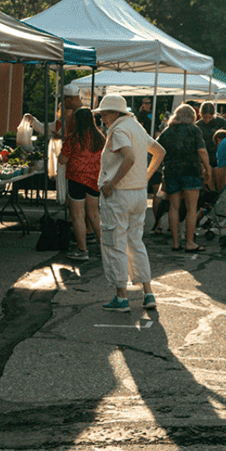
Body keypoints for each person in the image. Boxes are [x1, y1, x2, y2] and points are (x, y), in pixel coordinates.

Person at [93, 93, 165, 312]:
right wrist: (146, 176)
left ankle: (121, 297)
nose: (102, 118)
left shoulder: (118, 130)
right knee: (136, 242)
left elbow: (130, 157)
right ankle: (148, 293)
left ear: (115, 113)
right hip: (138, 193)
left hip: (120, 194)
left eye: (104, 114)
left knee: (115, 243)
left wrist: (112, 183)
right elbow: (159, 151)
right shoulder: (136, 126)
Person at [157, 103, 209, 252]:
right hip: (191, 171)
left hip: (171, 172)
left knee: (173, 207)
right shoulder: (194, 130)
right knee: (191, 208)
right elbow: (202, 151)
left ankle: (175, 242)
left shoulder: (167, 131)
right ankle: (190, 242)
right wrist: (208, 170)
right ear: (192, 117)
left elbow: (157, 149)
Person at [58, 107, 105, 260]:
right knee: (94, 213)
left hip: (76, 179)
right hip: (94, 179)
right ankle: (104, 248)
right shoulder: (100, 137)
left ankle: (82, 250)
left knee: (78, 215)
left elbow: (62, 160)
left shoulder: (73, 137)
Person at [197, 102, 226, 177]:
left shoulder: (221, 122)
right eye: (205, 117)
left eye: (210, 117)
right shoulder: (198, 125)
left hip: (219, 156)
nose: (207, 120)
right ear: (201, 114)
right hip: (204, 158)